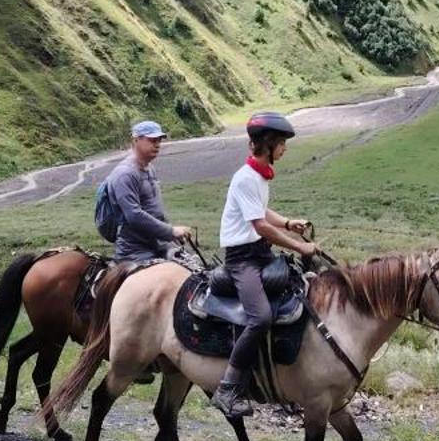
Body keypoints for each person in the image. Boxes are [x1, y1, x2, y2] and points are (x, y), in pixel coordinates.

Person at [210, 110, 317, 419]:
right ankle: (228, 387)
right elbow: (260, 225)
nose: (284, 149)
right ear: (268, 143)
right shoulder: (245, 178)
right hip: (242, 260)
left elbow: (264, 212)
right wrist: (299, 245)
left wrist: (288, 222)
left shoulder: (257, 175)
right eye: (282, 143)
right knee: (260, 317)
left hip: (259, 254)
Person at [102, 120, 193, 264]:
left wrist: (168, 234)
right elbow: (134, 215)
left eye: (159, 140)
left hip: (158, 243)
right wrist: (170, 231)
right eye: (152, 140)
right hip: (135, 251)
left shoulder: (149, 168)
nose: (157, 144)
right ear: (136, 140)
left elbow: (153, 208)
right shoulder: (125, 174)